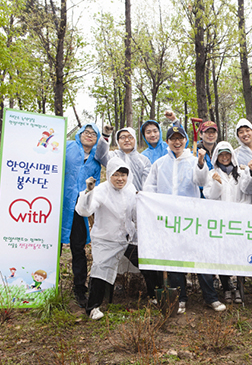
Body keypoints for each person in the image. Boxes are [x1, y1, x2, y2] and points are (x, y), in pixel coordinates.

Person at [143, 125, 226, 314]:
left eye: (180, 138)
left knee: (201, 256)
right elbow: (151, 187)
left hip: (192, 219)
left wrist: (200, 163)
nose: (177, 142)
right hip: (169, 220)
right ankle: (180, 298)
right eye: (173, 139)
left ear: (185, 140)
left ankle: (210, 297)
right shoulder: (160, 164)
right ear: (168, 142)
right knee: (174, 259)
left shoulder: (193, 160)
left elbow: (201, 182)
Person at [76, 158, 156, 320]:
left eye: (124, 175)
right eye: (116, 175)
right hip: (106, 239)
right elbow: (84, 211)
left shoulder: (130, 189)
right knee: (100, 270)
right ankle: (92, 307)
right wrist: (88, 192)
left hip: (127, 238)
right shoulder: (100, 191)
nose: (120, 179)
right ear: (109, 175)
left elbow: (135, 214)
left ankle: (155, 295)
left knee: (146, 263)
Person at [198, 141, 252, 303]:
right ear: (217, 157)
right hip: (221, 222)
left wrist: (239, 212)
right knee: (223, 255)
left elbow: (248, 193)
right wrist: (217, 183)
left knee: (239, 255)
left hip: (238, 222)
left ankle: (239, 287)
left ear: (232, 156)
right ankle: (226, 287)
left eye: (227, 154)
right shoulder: (212, 173)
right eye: (221, 155)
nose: (224, 158)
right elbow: (210, 196)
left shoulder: (241, 172)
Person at [62, 124, 108, 308]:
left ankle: (80, 288)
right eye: (86, 132)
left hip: (78, 208)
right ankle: (44, 284)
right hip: (59, 204)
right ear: (80, 134)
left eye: (93, 134)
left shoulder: (96, 157)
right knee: (52, 245)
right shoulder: (67, 147)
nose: (89, 136)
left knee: (78, 247)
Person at [97, 126, 151, 191]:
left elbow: (148, 182)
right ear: (118, 141)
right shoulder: (113, 156)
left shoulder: (144, 160)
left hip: (137, 197)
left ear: (135, 140)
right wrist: (105, 136)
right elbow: (101, 155)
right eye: (123, 137)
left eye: (130, 137)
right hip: (115, 197)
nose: (127, 140)